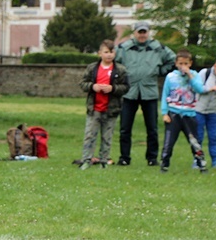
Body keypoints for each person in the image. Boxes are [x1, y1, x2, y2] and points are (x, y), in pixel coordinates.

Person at [115, 21, 176, 166]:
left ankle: (152, 158)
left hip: (149, 91)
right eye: (139, 32)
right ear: (134, 33)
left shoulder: (158, 48)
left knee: (152, 128)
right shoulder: (124, 48)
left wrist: (160, 71)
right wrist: (120, 77)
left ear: (148, 33)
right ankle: (124, 157)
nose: (142, 35)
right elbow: (113, 63)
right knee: (125, 128)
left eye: (144, 32)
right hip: (129, 91)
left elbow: (173, 60)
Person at [78, 40, 129, 170]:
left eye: (111, 52)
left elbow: (126, 87)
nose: (109, 55)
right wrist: (92, 86)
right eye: (106, 52)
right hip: (94, 108)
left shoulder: (121, 70)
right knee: (90, 135)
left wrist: (113, 88)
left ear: (115, 53)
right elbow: (82, 83)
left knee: (107, 136)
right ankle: (86, 160)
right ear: (100, 53)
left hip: (111, 109)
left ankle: (104, 160)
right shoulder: (92, 68)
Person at [159, 49, 206, 173]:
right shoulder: (171, 77)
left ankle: (201, 163)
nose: (183, 66)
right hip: (173, 114)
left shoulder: (195, 76)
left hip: (189, 114)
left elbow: (200, 89)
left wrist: (190, 75)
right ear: (176, 63)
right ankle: (164, 164)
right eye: (180, 63)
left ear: (190, 63)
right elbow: (165, 94)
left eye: (186, 63)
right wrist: (164, 113)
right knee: (169, 141)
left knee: (194, 141)